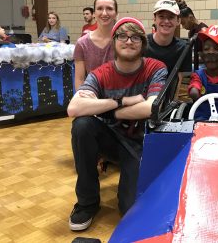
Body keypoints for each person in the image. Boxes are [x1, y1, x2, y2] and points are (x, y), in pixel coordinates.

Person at [67, 17, 168, 231]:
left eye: (135, 37)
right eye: (122, 36)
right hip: (110, 141)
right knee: (82, 125)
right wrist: (120, 102)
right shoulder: (100, 74)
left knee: (129, 208)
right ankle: (87, 202)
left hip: (140, 146)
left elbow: (151, 108)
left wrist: (108, 111)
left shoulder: (156, 68)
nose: (128, 41)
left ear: (143, 43)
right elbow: (74, 108)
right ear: (114, 42)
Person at [145, 0, 192, 99]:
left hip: (170, 104)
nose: (166, 21)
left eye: (171, 17)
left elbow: (183, 83)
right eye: (161, 16)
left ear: (178, 21)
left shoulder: (184, 48)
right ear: (154, 19)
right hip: (143, 100)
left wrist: (176, 106)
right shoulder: (142, 44)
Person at [73, 0, 117, 90]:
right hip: (93, 97)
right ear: (94, 14)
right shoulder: (82, 43)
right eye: (100, 8)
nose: (104, 13)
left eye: (109, 8)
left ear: (116, 13)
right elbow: (79, 79)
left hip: (122, 98)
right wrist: (83, 100)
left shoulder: (125, 40)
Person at [178, 0, 207, 70]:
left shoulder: (204, 31)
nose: (183, 27)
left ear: (190, 18)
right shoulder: (191, 32)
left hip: (203, 66)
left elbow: (207, 57)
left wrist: (188, 59)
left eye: (183, 23)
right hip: (195, 63)